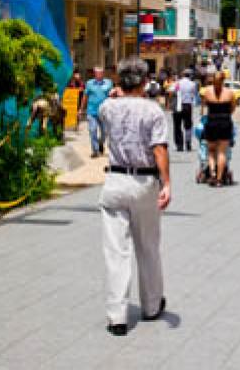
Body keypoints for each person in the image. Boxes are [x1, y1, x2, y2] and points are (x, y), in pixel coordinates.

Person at [98, 56, 170, 336]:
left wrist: (114, 93)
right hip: (144, 181)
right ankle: (152, 305)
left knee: (116, 251)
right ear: (144, 80)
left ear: (119, 80)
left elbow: (107, 103)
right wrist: (167, 183)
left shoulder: (107, 107)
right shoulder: (153, 111)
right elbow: (159, 149)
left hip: (115, 179)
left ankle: (117, 316)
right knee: (148, 246)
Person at [202, 71, 236, 186]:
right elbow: (232, 109)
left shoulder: (207, 92)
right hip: (225, 122)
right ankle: (219, 179)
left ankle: (212, 174)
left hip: (211, 122)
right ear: (223, 80)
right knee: (222, 152)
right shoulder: (230, 93)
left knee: (211, 151)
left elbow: (205, 106)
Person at [80, 66, 113, 158]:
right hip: (92, 111)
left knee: (105, 132)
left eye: (101, 73)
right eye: (98, 73)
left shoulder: (108, 83)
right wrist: (81, 109)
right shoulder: (89, 83)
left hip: (104, 112)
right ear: (95, 74)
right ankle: (95, 150)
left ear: (103, 73)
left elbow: (112, 96)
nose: (99, 75)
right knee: (92, 130)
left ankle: (100, 143)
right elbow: (85, 97)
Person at [173, 69, 196, 152]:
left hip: (178, 105)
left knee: (177, 126)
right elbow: (193, 95)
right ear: (190, 75)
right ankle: (188, 143)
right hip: (187, 106)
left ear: (183, 75)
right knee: (188, 125)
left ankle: (179, 145)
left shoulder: (177, 83)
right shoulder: (193, 84)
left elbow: (173, 91)